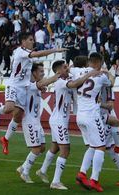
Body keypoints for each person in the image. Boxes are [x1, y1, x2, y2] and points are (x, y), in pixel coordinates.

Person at [0, 33, 67, 155]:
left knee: (18, 116)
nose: (32, 42)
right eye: (30, 40)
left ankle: (6, 139)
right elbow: (37, 54)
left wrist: (38, 85)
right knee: (9, 108)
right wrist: (55, 50)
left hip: (24, 87)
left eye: (33, 40)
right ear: (23, 41)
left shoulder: (29, 58)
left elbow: (29, 72)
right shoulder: (20, 51)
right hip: (14, 84)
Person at [36, 60, 100, 190]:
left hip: (58, 119)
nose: (68, 69)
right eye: (65, 67)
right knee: (66, 149)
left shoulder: (65, 79)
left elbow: (75, 80)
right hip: (59, 120)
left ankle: (42, 170)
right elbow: (76, 83)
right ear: (59, 71)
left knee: (55, 148)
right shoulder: (60, 82)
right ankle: (56, 181)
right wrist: (90, 74)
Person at [75, 53, 114, 192]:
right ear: (98, 63)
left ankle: (82, 173)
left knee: (92, 146)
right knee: (101, 147)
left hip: (79, 116)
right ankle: (94, 180)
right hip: (92, 115)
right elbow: (111, 83)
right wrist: (108, 73)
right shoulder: (101, 76)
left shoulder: (78, 71)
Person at [16, 62, 61, 184]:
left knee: (41, 148)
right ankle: (25, 173)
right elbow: (42, 83)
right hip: (30, 122)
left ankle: (23, 167)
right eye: (41, 71)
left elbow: (42, 85)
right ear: (34, 73)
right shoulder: (29, 84)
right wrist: (57, 75)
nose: (43, 73)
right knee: (36, 149)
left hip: (36, 121)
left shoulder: (36, 86)